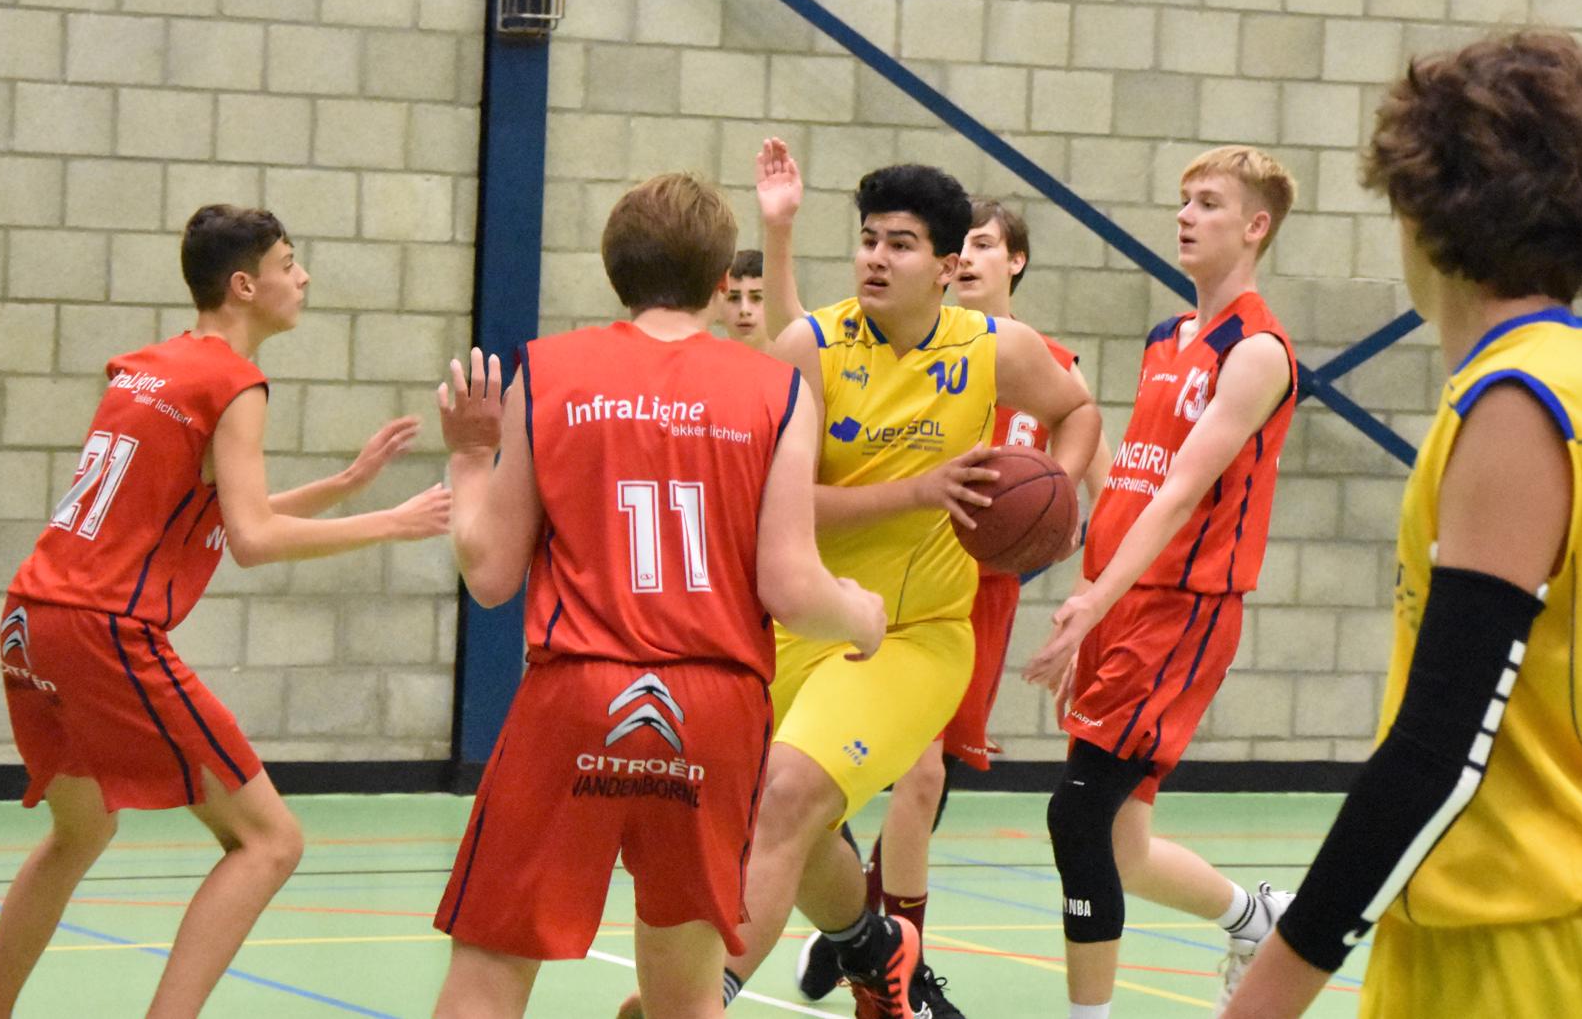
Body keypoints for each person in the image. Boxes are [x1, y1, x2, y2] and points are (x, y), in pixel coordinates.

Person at [1218, 31, 1582, 1018]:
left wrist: (1262, 1002)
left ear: (1420, 205)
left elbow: (1433, 757)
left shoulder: (1514, 407)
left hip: (1514, 964)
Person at [624, 149, 1102, 1019]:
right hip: (802, 622)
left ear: (948, 266)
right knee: (779, 816)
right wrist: (918, 491)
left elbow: (1077, 409)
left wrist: (1054, 495)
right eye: (869, 240)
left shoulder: (995, 348)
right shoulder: (811, 347)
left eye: (901, 244)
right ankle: (875, 947)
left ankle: (705, 997)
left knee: (786, 795)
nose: (877, 258)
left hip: (913, 636)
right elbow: (771, 504)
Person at [0, 204, 452, 1019]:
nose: (303, 277)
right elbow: (254, 539)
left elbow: (205, 512)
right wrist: (393, 523)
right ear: (244, 285)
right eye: (289, 263)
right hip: (101, 627)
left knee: (79, 832)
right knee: (271, 839)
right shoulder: (235, 382)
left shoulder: (148, 368)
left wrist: (342, 487)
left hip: (31, 618)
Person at [429, 173, 885, 1019]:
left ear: (615, 269)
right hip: (714, 710)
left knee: (490, 968)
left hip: (576, 694)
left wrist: (466, 460)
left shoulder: (549, 372)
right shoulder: (779, 390)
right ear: (721, 279)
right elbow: (790, 587)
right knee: (686, 992)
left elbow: (489, 574)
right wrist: (861, 613)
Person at [793, 196, 1112, 1017]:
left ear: (1015, 261)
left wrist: (1064, 525)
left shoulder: (1032, 357)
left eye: (984, 244)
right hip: (888, 582)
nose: (969, 256)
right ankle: (884, 948)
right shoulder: (880, 342)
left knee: (924, 781)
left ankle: (864, 931)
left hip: (982, 589)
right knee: (909, 775)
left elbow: (1091, 467)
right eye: (960, 243)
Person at [1023, 146, 1304, 1019]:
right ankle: (1259, 917)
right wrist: (1093, 595)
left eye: (1209, 202)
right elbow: (1131, 482)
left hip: (1182, 612)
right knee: (1123, 845)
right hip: (1123, 603)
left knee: (1076, 816)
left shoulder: (1256, 353)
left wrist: (1090, 604)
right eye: (1184, 199)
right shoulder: (1164, 341)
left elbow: (1181, 492)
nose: (1185, 214)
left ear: (1255, 226)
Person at [712, 248, 771, 352]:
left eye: (756, 298)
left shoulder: (796, 360)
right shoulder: (703, 360)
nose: (744, 309)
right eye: (734, 298)